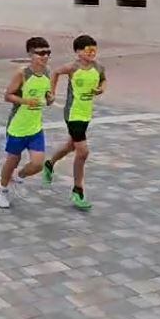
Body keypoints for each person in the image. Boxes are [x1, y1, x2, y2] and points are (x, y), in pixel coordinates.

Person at [43, 35, 106, 210]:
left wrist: (101, 89)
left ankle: (49, 163)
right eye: (88, 50)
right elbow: (55, 72)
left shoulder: (98, 67)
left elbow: (103, 80)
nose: (92, 53)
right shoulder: (72, 67)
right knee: (83, 152)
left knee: (71, 146)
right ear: (78, 52)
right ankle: (78, 191)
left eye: (94, 50)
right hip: (72, 114)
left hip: (86, 114)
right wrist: (51, 93)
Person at [0, 37, 54, 209]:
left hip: (35, 127)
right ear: (30, 54)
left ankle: (18, 177)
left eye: (47, 53)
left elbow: (46, 95)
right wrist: (26, 101)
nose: (45, 56)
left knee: (38, 164)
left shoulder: (47, 72)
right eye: (40, 53)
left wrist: (50, 98)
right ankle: (2, 189)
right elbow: (8, 96)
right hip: (17, 126)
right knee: (13, 159)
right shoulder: (22, 73)